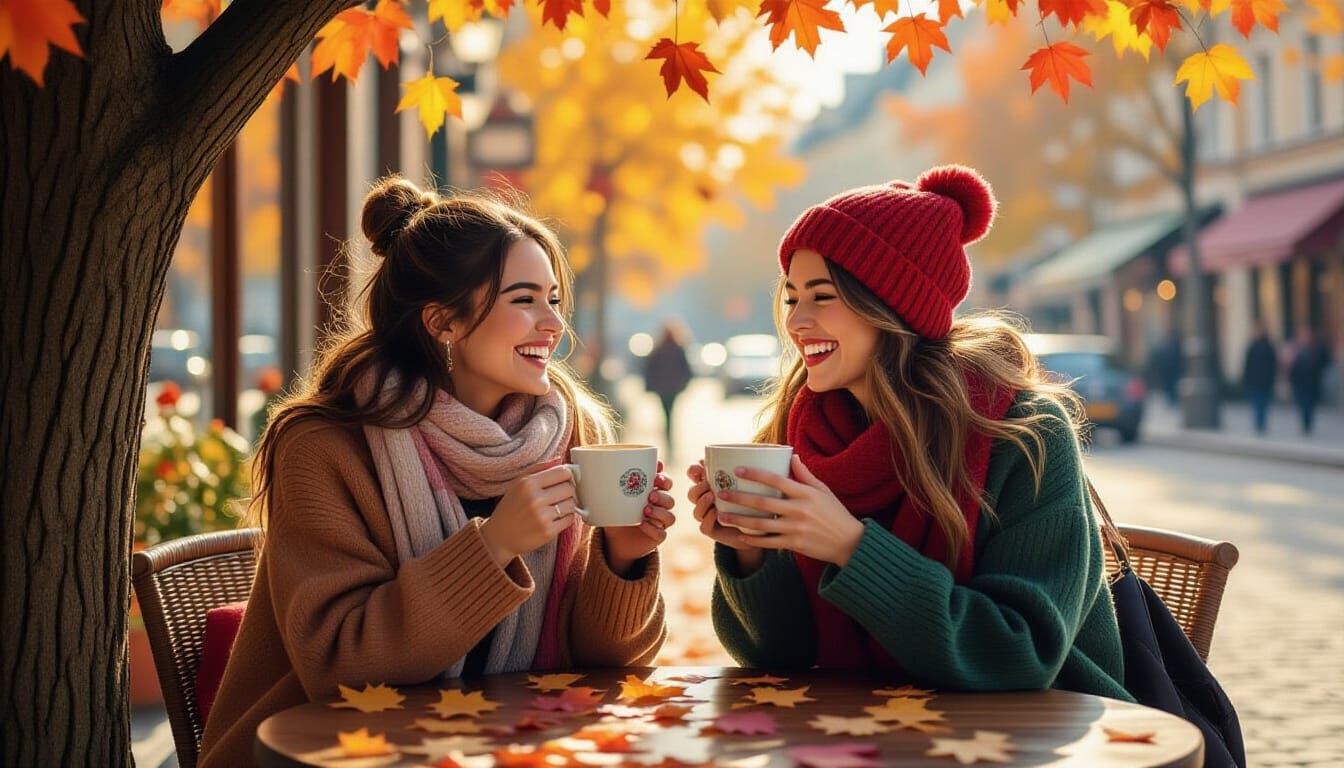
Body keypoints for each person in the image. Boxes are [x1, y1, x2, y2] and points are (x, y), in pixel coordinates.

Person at [200, 177, 676, 767]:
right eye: (524, 300)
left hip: (514, 744)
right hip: (337, 751)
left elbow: (606, 668)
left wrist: (623, 558)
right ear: (442, 322)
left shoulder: (571, 431)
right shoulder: (327, 446)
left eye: (553, 299)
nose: (553, 323)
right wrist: (495, 545)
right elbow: (339, 665)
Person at [687, 166, 1131, 701]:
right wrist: (750, 553)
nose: (796, 322)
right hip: (866, 724)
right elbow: (779, 659)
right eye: (791, 298)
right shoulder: (802, 434)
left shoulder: (1023, 433)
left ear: (891, 305)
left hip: (1047, 727)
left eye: (822, 296)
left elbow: (1019, 653)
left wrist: (850, 547)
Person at [643, 320, 694, 456]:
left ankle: (668, 442)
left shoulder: (658, 349)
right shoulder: (678, 349)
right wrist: (682, 385)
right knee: (670, 415)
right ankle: (670, 443)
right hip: (672, 389)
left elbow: (649, 370)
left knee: (666, 415)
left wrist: (650, 386)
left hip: (663, 389)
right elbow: (687, 371)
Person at [1288, 326, 1332, 435]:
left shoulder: (1317, 349)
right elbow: (1293, 368)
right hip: (1300, 383)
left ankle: (1308, 424)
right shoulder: (1297, 350)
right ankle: (1305, 423)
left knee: (1310, 405)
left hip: (1311, 383)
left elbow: (1323, 363)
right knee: (1302, 404)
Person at [1241, 322, 1277, 435]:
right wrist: (1246, 378)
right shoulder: (1253, 346)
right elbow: (1247, 364)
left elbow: (1273, 365)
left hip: (1264, 381)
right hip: (1256, 381)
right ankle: (1259, 423)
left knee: (1262, 403)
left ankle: (1260, 422)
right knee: (1258, 402)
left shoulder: (1268, 346)